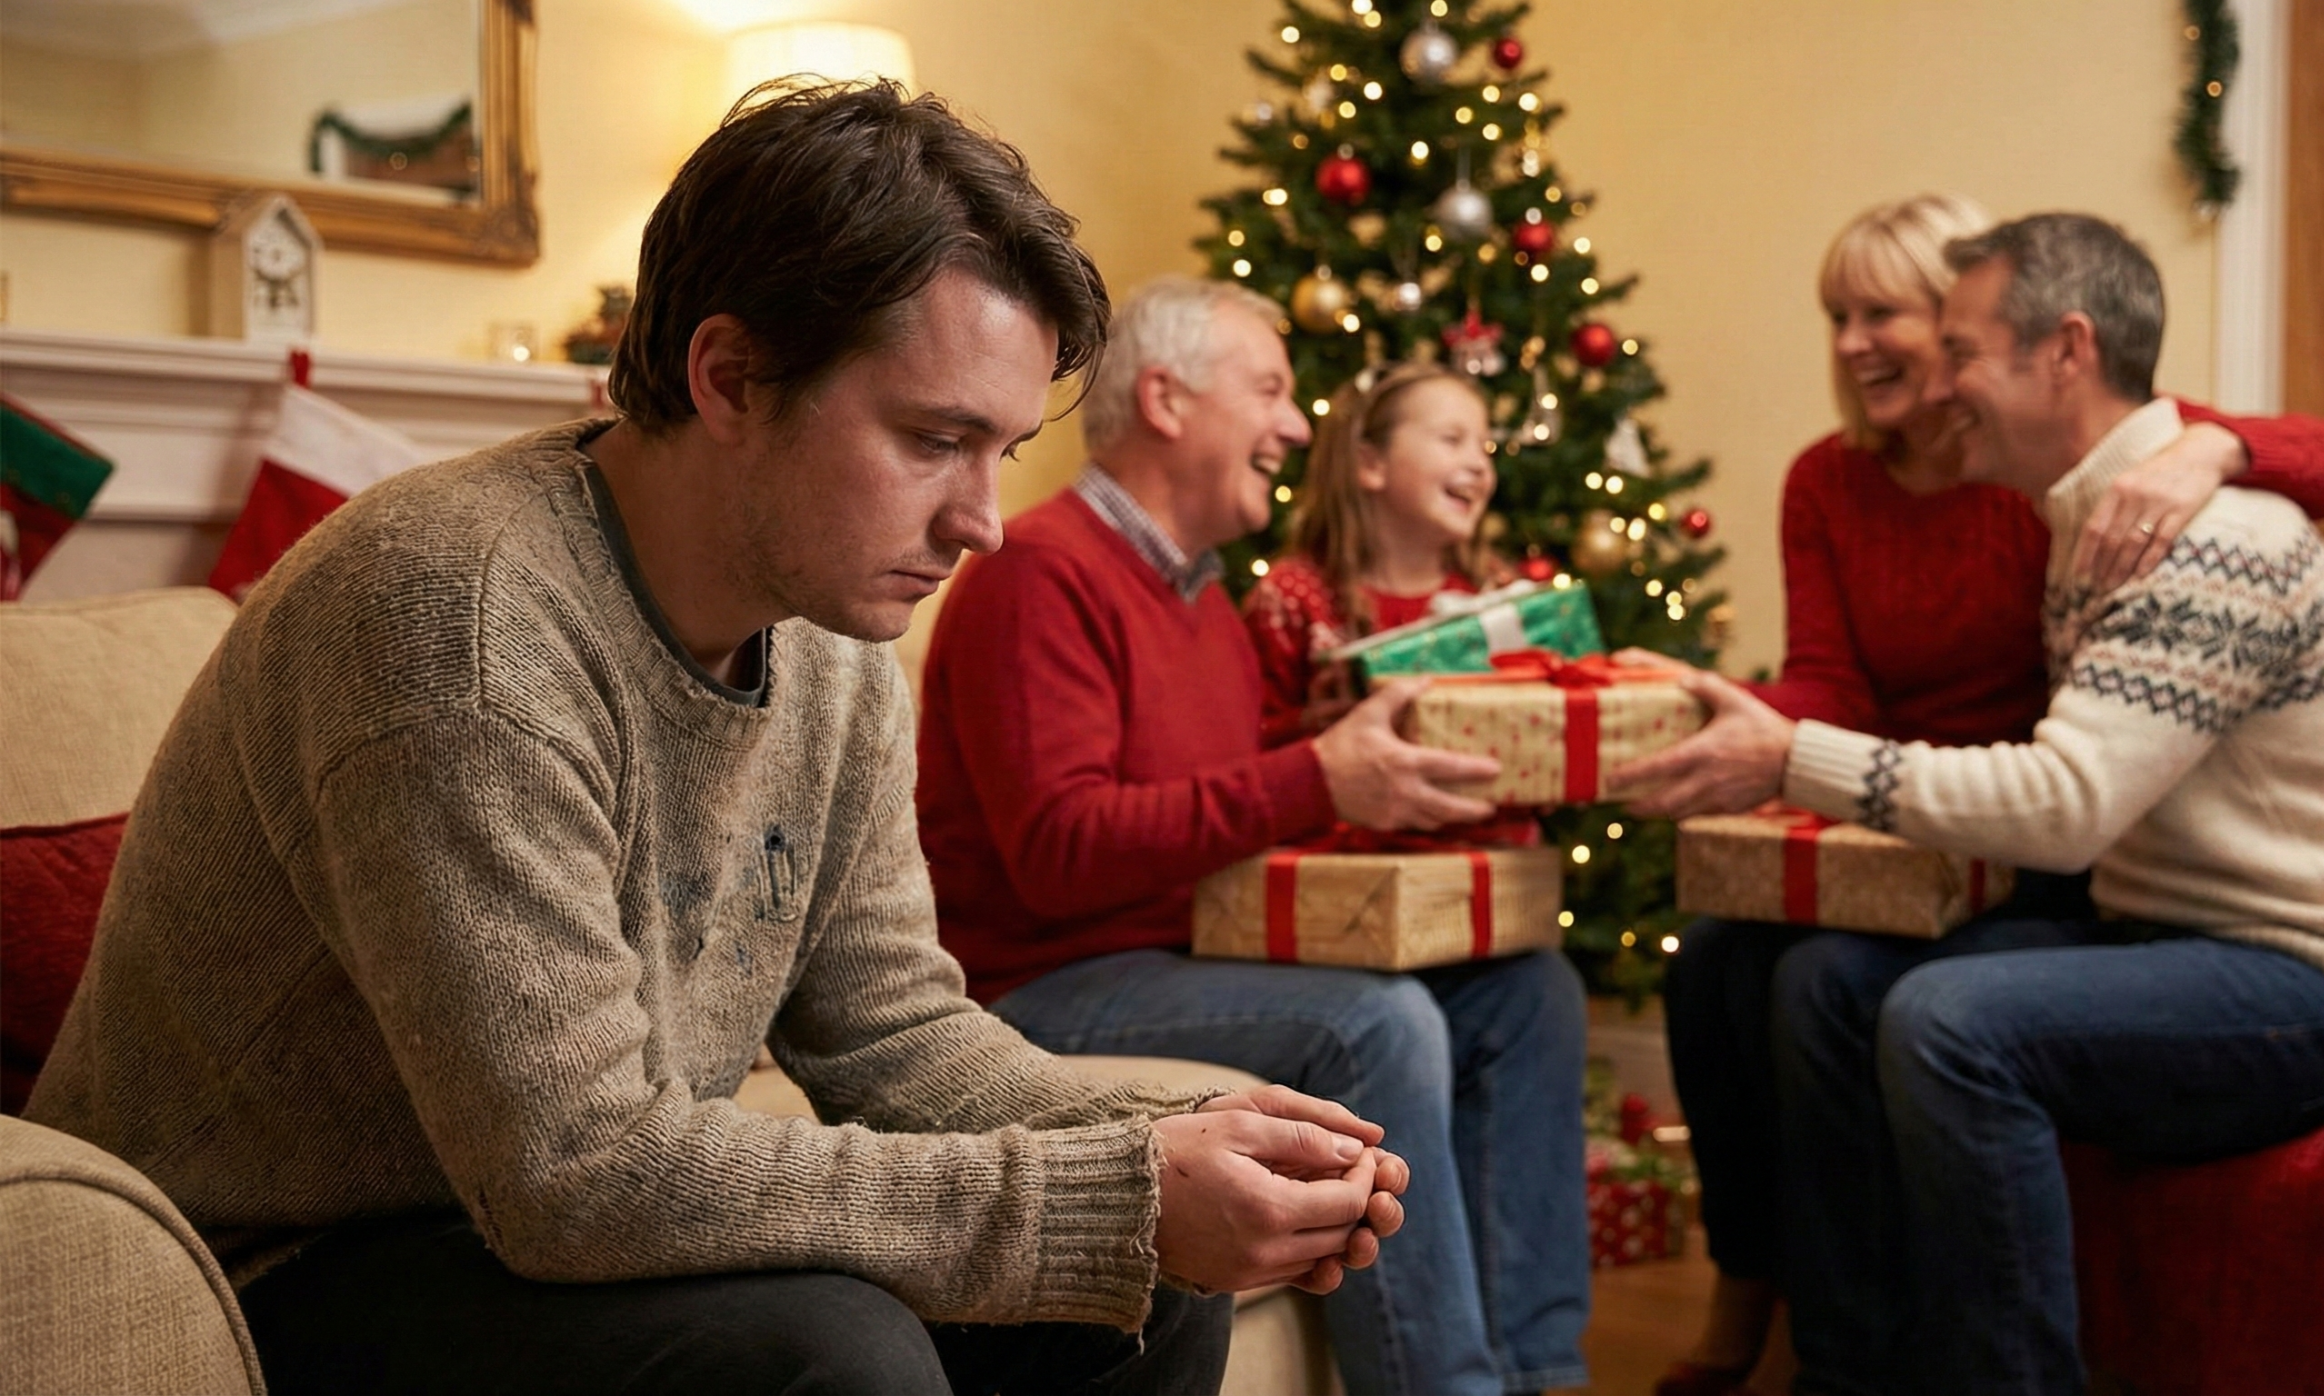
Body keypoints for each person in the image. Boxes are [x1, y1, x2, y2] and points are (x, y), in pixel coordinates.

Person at [26, 83, 1410, 1396]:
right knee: (829, 1351)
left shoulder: (831, 632)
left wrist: (1171, 1150)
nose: (982, 519)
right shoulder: (453, 619)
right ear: (733, 376)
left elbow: (894, 1032)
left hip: (527, 1220)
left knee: (1139, 1288)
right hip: (272, 1263)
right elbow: (576, 1169)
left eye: (999, 451)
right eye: (935, 439)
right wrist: (1112, 1195)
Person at [1622, 212, 2324, 1395]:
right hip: (2165, 932)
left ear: (2063, 351)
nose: (1938, 383)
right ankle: (1852, 1362)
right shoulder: (2083, 517)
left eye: (1958, 349)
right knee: (1805, 980)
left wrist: (1790, 756)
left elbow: (2065, 802)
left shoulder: (2204, 537)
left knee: (1952, 1019)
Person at [918, 276, 1593, 1396]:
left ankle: (1542, 1372)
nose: (1295, 424)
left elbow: (1236, 783)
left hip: (1187, 951)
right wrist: (1317, 774)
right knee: (1375, 1023)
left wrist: (1363, 763)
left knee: (1527, 993)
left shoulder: (1201, 594)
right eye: (1271, 390)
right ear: (1170, 401)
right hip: (1045, 981)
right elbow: (1062, 849)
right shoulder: (1040, 570)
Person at [1242, 362, 1507, 746]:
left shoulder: (1495, 593)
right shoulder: (1291, 599)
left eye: (1486, 448)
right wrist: (1315, 731)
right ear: (1371, 464)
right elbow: (1245, 746)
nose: (1480, 466)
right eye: (1451, 440)